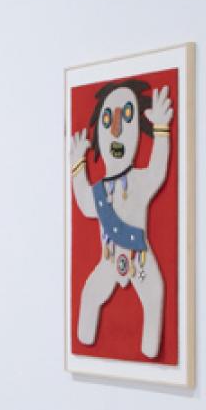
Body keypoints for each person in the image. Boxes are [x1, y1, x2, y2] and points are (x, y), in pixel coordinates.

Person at [69, 79, 173, 356]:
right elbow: (85, 205)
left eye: (126, 116)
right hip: (108, 261)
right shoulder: (99, 191)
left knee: (154, 292)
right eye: (108, 120)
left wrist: (161, 130)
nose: (116, 129)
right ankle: (84, 337)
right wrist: (77, 166)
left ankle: (150, 349)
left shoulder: (139, 180)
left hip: (140, 259)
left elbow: (157, 170)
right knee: (90, 294)